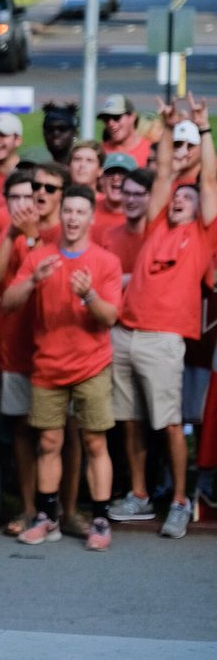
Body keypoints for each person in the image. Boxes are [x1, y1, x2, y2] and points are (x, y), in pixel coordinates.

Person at [108, 94, 216, 539]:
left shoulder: (205, 233)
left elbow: (205, 178)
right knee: (130, 419)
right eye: (176, 198)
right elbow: (167, 173)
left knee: (170, 423)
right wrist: (169, 127)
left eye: (187, 199)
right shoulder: (156, 222)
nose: (179, 200)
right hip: (125, 333)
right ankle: (137, 493)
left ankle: (178, 499)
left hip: (165, 338)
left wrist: (203, 128)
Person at [3, 185, 122, 552]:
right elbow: (8, 302)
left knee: (94, 441)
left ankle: (100, 518)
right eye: (67, 211)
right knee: (49, 442)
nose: (72, 218)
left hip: (91, 365)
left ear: (91, 217)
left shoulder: (106, 261)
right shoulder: (42, 257)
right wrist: (33, 280)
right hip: (48, 367)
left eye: (79, 212)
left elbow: (110, 317)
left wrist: (89, 295)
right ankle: (46, 516)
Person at [98, 94, 151, 166]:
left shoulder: (150, 152)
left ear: (132, 117)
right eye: (106, 119)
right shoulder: (99, 152)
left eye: (116, 117)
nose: (111, 123)